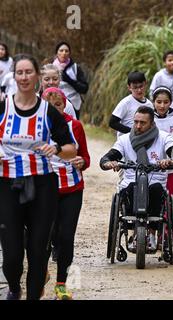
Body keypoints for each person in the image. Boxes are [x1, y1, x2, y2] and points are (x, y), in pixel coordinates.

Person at [0, 54, 76, 300]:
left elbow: (70, 149)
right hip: (7, 184)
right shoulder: (3, 107)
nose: (24, 77)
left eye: (28, 72)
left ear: (37, 77)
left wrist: (55, 148)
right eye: (19, 72)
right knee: (11, 255)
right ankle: (13, 286)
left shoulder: (48, 112)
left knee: (37, 250)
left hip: (42, 184)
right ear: (14, 76)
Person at [100, 106, 173, 253]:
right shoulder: (124, 140)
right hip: (131, 183)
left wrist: (169, 161)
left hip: (155, 183)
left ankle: (152, 234)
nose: (138, 126)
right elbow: (107, 157)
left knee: (155, 190)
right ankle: (133, 232)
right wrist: (110, 163)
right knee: (130, 189)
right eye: (135, 122)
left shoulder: (163, 137)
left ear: (152, 124)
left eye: (143, 123)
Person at [42, 87, 90, 298]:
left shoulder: (75, 126)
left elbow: (85, 157)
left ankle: (61, 283)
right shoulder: (36, 126)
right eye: (50, 106)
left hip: (71, 189)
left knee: (66, 237)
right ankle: (41, 272)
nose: (55, 110)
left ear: (64, 105)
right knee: (43, 236)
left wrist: (82, 162)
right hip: (45, 189)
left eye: (58, 105)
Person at [110, 71, 153, 137]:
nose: (139, 90)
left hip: (142, 141)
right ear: (129, 88)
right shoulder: (126, 103)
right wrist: (132, 132)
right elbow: (112, 123)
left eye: (141, 86)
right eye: (135, 87)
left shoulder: (149, 104)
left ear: (145, 84)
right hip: (126, 142)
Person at [52, 41, 89, 119]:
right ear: (57, 53)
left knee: (72, 128)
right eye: (61, 50)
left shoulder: (75, 68)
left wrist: (69, 80)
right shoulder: (51, 68)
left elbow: (84, 88)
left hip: (73, 104)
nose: (64, 53)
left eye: (66, 51)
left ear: (69, 53)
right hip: (55, 103)